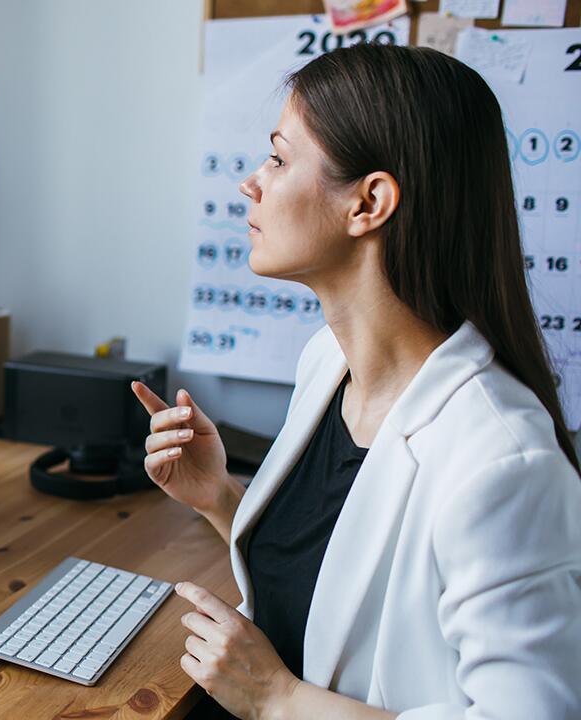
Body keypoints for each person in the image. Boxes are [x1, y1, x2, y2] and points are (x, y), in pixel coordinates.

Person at [128, 45, 581, 720]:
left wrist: (277, 699)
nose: (251, 182)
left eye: (279, 159)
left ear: (369, 202)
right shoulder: (326, 363)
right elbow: (332, 579)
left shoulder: (503, 462)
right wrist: (220, 497)